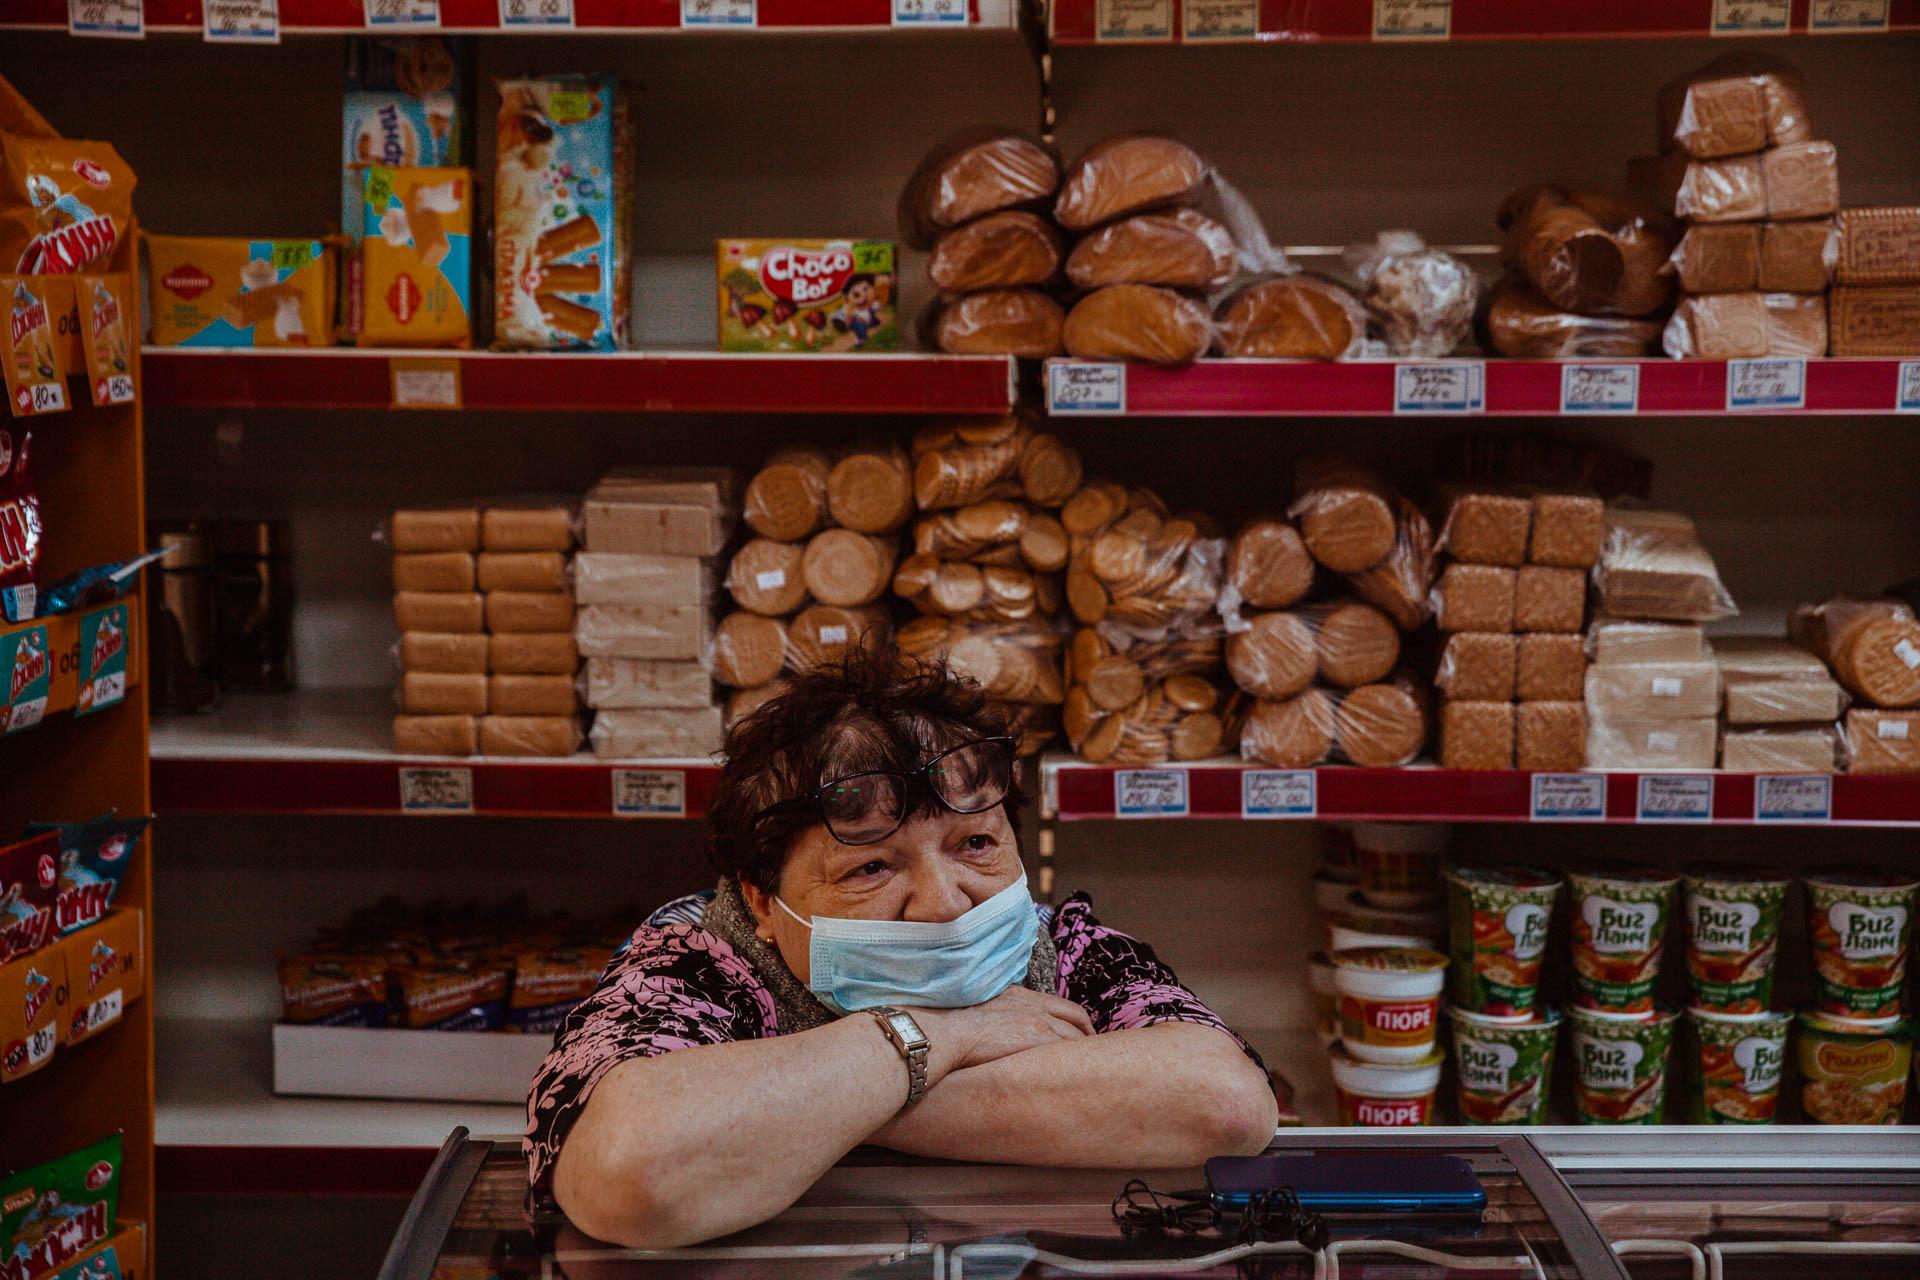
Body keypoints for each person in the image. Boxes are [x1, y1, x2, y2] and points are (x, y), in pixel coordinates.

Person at [527, 646, 1277, 1249]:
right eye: (871, 866)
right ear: (759, 900)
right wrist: (944, 1036)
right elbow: (638, 1172)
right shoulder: (695, 962)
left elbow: (1226, 1101)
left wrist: (816, 1111)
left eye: (976, 843)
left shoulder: (1067, 951)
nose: (946, 902)